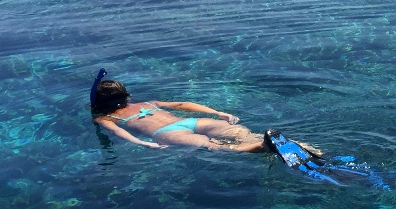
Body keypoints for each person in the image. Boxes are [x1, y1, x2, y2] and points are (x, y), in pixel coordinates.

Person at [90, 70, 267, 152]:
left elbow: (118, 131)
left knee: (211, 145)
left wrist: (142, 143)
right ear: (126, 96)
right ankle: (271, 142)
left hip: (166, 133)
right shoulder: (149, 103)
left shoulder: (105, 118)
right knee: (239, 133)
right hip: (189, 122)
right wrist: (218, 113)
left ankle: (260, 147)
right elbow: (183, 104)